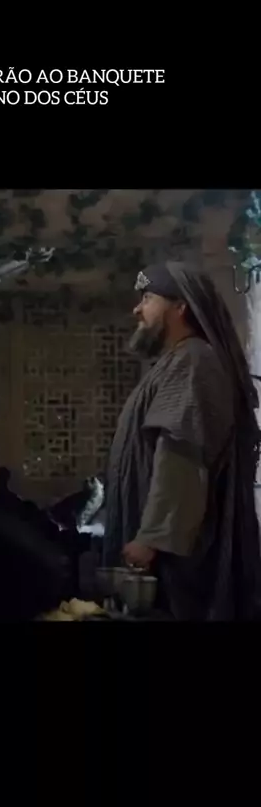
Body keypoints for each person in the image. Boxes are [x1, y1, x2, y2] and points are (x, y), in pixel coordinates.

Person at [103, 261, 261, 620]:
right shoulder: (175, 362)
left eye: (147, 298)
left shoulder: (193, 361)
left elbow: (181, 459)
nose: (137, 309)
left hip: (175, 564)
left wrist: (152, 537)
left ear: (180, 307)